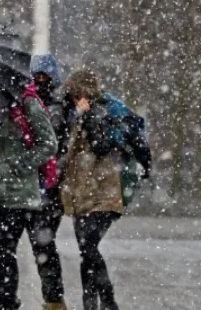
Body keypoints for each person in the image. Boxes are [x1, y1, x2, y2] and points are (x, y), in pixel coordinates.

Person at [0, 80, 58, 310]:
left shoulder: (27, 102)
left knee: (3, 251)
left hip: (16, 193)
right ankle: (4, 296)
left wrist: (21, 165)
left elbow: (49, 143)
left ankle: (6, 302)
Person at [61, 68, 124, 310]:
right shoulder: (74, 114)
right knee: (86, 251)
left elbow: (100, 147)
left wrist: (87, 119)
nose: (74, 97)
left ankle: (108, 302)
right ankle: (91, 305)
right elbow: (65, 145)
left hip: (102, 194)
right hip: (80, 194)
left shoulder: (100, 112)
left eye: (76, 92)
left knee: (89, 247)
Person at [27, 54, 68, 310]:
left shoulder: (57, 107)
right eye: (37, 77)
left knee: (43, 243)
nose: (41, 82)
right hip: (36, 183)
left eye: (45, 77)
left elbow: (55, 143)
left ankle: (53, 299)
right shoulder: (29, 104)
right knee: (41, 244)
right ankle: (53, 298)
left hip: (49, 184)